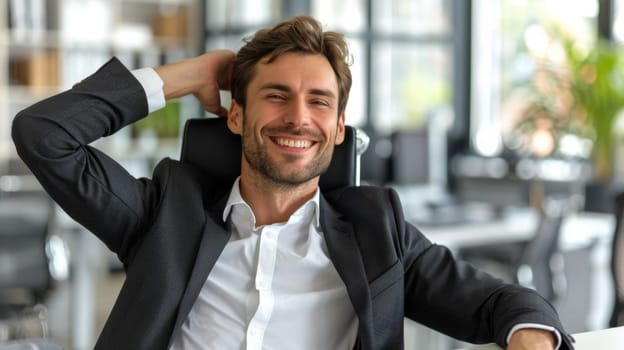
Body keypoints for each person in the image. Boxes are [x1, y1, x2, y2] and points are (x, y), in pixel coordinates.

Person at [12, 15, 574, 350]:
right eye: (275, 95)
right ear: (236, 116)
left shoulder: (378, 232)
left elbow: (504, 301)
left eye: (318, 102)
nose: (298, 118)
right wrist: (190, 74)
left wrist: (530, 336)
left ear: (336, 129)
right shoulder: (165, 213)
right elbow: (43, 134)